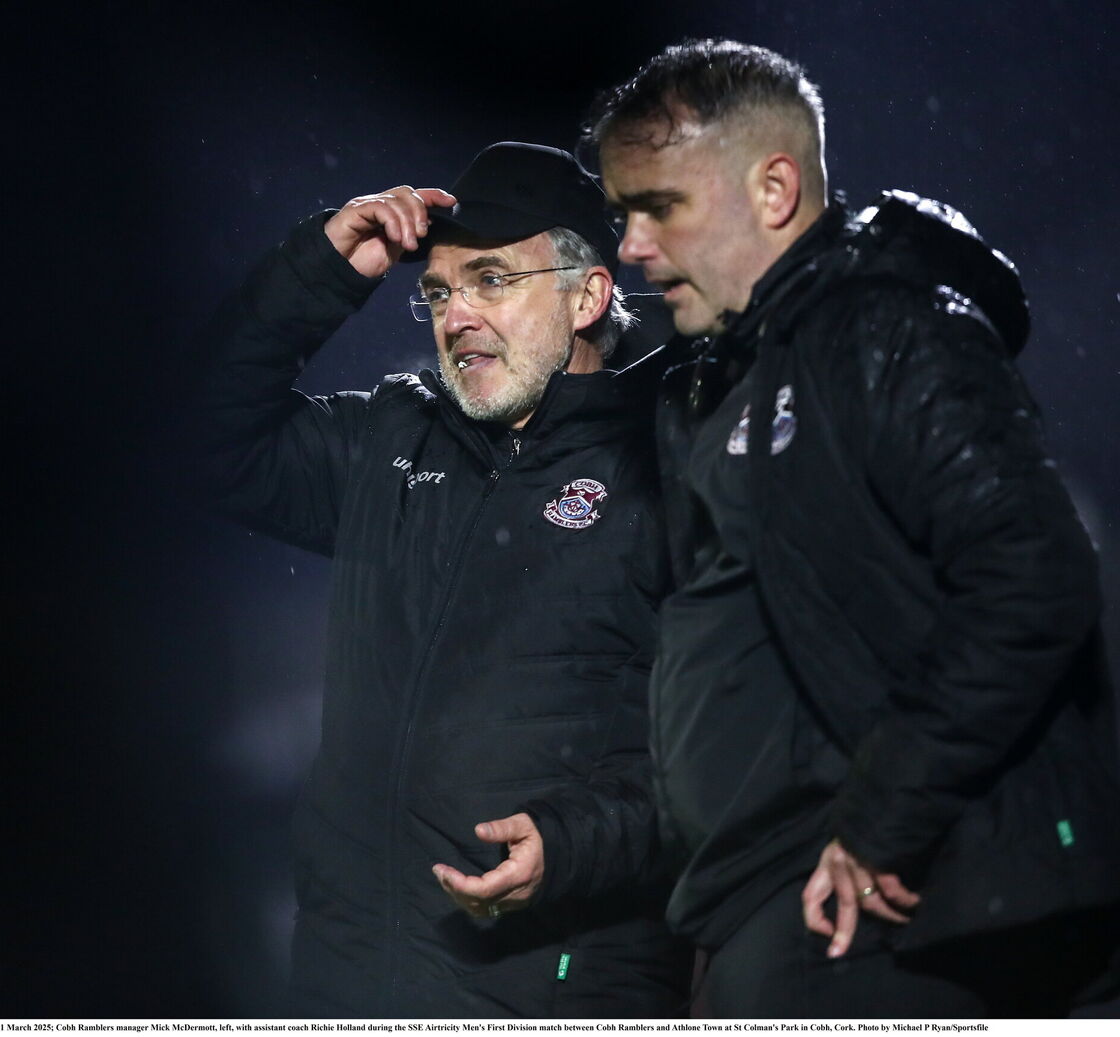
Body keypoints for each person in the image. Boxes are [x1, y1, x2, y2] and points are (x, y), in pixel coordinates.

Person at [590, 39, 1120, 1017]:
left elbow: (1034, 571)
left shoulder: (882, 325)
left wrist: (883, 817)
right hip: (775, 909)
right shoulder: (733, 370)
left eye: (659, 206)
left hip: (881, 909)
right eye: (623, 213)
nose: (630, 246)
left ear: (774, 189)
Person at [197, 141, 690, 1017]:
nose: (455, 315)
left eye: (491, 280)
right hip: (347, 982)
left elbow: (729, 749)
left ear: (587, 296)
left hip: (555, 984)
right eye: (437, 292)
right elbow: (192, 439)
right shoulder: (394, 440)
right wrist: (320, 271)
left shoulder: (670, 465)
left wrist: (575, 845)